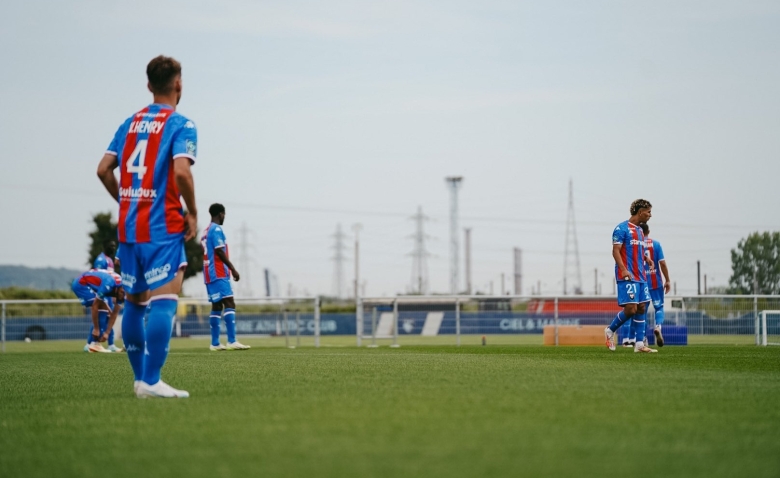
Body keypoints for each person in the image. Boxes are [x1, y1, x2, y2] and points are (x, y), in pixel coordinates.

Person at [96, 55, 198, 398]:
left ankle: (141, 380)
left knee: (136, 304)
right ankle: (152, 380)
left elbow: (103, 169)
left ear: (149, 85)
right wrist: (193, 212)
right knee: (165, 299)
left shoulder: (129, 124)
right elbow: (182, 172)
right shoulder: (181, 124)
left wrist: (126, 201)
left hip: (129, 227)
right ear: (178, 84)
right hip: (162, 227)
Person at [604, 199, 657, 353]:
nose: (650, 215)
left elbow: (638, 250)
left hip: (641, 276)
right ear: (640, 212)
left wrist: (647, 259)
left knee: (642, 307)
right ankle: (610, 330)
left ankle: (639, 344)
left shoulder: (640, 231)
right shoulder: (621, 228)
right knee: (631, 309)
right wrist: (623, 269)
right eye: (648, 212)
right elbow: (615, 251)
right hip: (627, 275)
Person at [201, 203, 250, 351]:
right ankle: (232, 340)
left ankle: (215, 343)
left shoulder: (205, 231)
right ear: (221, 214)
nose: (224, 218)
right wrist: (233, 269)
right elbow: (220, 252)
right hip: (218, 272)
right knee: (230, 302)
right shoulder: (216, 229)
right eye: (224, 215)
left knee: (216, 305)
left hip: (208, 273)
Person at [630, 222, 671, 347]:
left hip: (642, 282)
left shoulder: (636, 245)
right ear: (649, 231)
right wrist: (667, 280)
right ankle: (658, 327)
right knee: (659, 307)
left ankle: (643, 339)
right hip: (656, 282)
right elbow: (662, 263)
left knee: (642, 312)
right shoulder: (656, 244)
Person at [84, 238, 123, 352]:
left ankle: (110, 344)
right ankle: (91, 343)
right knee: (102, 317)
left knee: (108, 317)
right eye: (111, 245)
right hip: (103, 292)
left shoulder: (109, 260)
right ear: (105, 246)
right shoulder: (101, 260)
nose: (113, 248)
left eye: (114, 246)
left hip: (109, 293)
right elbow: (100, 277)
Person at [71, 270, 125, 353]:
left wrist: (107, 332)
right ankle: (95, 344)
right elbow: (95, 306)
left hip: (89, 284)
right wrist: (96, 328)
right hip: (81, 284)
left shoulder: (122, 292)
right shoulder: (109, 284)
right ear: (119, 288)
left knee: (107, 310)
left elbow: (114, 313)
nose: (123, 297)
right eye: (122, 293)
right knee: (101, 305)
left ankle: (89, 345)